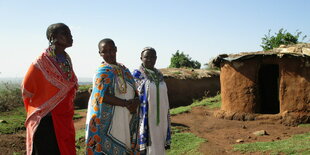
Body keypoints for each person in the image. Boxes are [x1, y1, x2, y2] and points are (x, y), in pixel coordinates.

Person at [21, 23, 78, 155]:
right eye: (65, 33)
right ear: (53, 37)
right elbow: (27, 88)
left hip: (64, 120)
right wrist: (46, 103)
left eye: (70, 33)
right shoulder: (40, 63)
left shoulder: (66, 59)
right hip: (46, 121)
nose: (70, 36)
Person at [85, 38, 140, 155]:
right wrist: (126, 103)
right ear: (100, 53)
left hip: (126, 116)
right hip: (110, 121)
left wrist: (135, 101)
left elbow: (135, 90)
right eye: (105, 51)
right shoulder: (102, 71)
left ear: (116, 49)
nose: (109, 54)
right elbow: (101, 95)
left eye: (111, 50)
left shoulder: (124, 69)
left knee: (125, 145)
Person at [132, 47, 171, 155]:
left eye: (152, 57)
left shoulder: (159, 75)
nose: (150, 59)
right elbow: (133, 95)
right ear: (141, 58)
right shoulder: (137, 75)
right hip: (145, 117)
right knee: (149, 145)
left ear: (156, 58)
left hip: (161, 117)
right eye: (146, 57)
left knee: (159, 142)